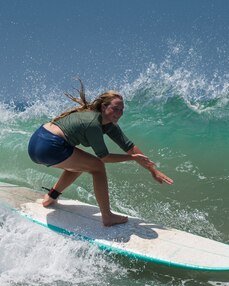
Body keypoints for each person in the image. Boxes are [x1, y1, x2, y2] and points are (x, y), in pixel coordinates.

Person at [28, 81, 173, 227]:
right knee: (97, 166)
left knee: (83, 163)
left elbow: (129, 146)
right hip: (50, 146)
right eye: (116, 108)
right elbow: (104, 157)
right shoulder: (93, 123)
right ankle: (107, 216)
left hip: (38, 141)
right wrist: (131, 158)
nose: (119, 113)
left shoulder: (107, 123)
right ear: (104, 106)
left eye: (122, 110)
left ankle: (50, 197)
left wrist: (153, 170)